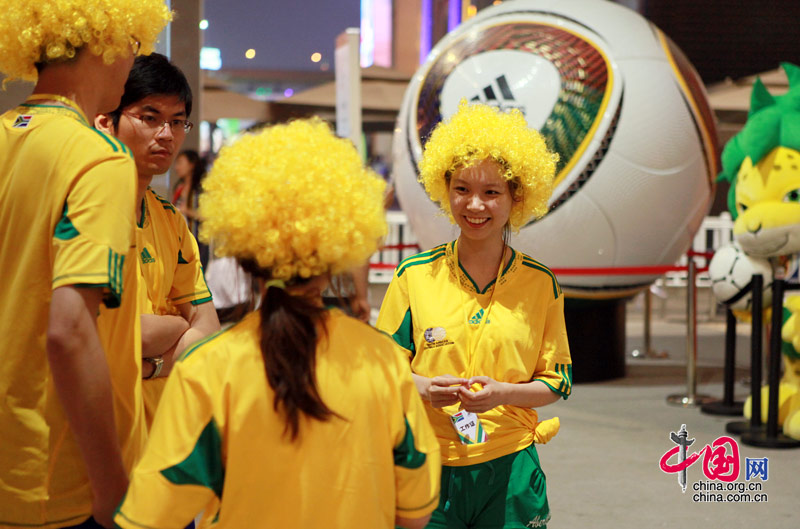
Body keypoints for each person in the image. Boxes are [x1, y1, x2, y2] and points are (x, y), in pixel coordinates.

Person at [114, 118, 441, 529]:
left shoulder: (209, 369)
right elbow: (416, 511)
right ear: (342, 242)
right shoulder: (382, 362)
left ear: (244, 249)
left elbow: (151, 515)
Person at [0, 2, 170, 528]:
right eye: (137, 42)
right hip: (58, 480)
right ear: (111, 36)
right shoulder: (98, 159)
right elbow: (70, 332)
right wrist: (113, 487)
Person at [376, 102, 572, 529]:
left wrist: (502, 393)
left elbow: (556, 382)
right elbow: (384, 369)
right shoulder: (414, 276)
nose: (475, 205)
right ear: (444, 188)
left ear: (516, 198)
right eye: (462, 188)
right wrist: (426, 387)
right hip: (425, 463)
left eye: (491, 192)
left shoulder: (542, 285)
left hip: (510, 469)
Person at [95, 53, 220, 429]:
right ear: (108, 121)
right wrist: (175, 326)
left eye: (178, 121)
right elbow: (95, 334)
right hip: (93, 426)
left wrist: (153, 365)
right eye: (150, 118)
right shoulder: (83, 208)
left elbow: (208, 326)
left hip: (161, 426)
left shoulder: (170, 220)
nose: (166, 134)